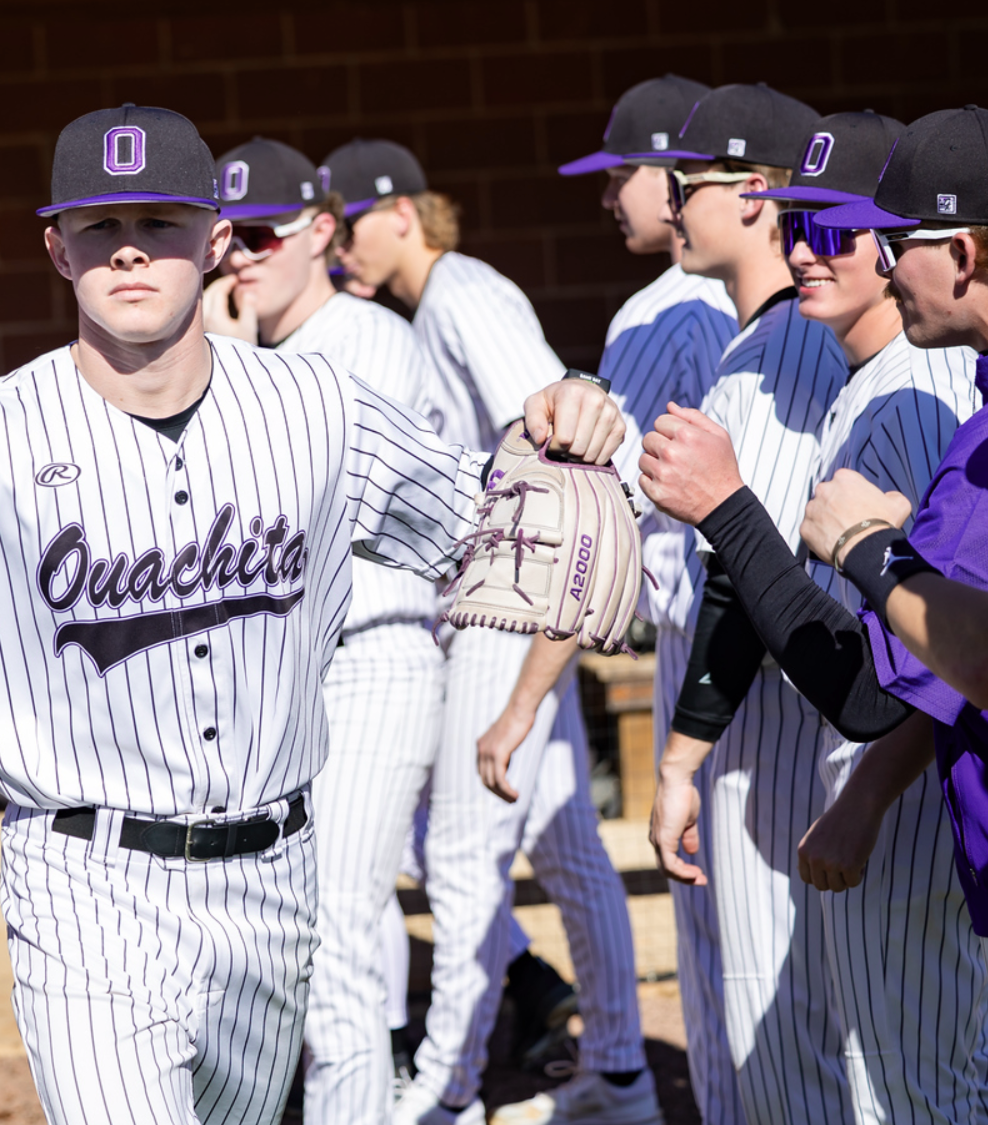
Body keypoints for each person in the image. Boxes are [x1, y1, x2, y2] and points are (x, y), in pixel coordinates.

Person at [0, 102, 528, 1125]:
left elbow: (500, 536)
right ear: (55, 250)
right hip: (86, 883)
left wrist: (563, 430)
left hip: (276, 877)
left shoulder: (317, 408)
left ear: (212, 243)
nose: (127, 252)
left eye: (157, 224)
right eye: (97, 227)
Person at [640, 104, 988, 1125]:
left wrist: (860, 552)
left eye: (879, 237)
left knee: (936, 1092)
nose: (860, 258)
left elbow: (920, 681)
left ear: (964, 253)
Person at [328, 136, 655, 1125]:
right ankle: (620, 1069)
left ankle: (444, 1092)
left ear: (398, 213)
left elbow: (564, 437)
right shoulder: (429, 305)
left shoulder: (460, 291)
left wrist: (529, 648)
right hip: (509, 593)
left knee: (462, 853)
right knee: (564, 847)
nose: (335, 243)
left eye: (342, 221)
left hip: (511, 593)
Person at [199, 135, 448, 1125]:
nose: (239, 258)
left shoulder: (365, 340)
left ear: (320, 231)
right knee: (280, 927)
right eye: (222, 239)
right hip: (285, 669)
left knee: (334, 923)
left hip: (373, 651)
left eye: (259, 235)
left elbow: (301, 519)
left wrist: (225, 368)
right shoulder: (251, 352)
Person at [631, 82, 855, 1125]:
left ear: (757, 191)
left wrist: (678, 756)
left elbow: (740, 569)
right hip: (821, 723)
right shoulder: (774, 341)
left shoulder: (784, 348)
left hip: (785, 738)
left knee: (792, 1054)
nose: (669, 203)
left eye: (688, 182)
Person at [528, 72, 744, 1125]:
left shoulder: (660, 310)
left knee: (719, 948)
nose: (608, 192)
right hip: (767, 626)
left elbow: (603, 517)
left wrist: (522, 692)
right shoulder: (765, 303)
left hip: (704, 641)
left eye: (623, 170)